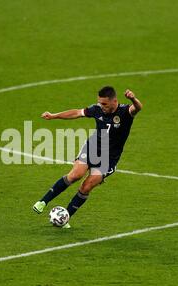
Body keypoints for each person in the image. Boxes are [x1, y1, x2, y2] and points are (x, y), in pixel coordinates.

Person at [33, 86, 143, 228]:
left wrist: (133, 98)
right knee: (75, 175)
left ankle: (65, 218)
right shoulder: (97, 109)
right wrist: (54, 115)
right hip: (92, 148)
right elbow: (77, 113)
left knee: (87, 186)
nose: (101, 106)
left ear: (114, 101)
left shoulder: (125, 111)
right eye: (99, 102)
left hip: (108, 158)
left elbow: (138, 108)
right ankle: (43, 201)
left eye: (104, 103)